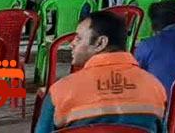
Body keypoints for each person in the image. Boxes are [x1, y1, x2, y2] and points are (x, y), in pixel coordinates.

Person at [33, 11, 166, 132]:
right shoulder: (155, 87)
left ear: (100, 43)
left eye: (79, 38)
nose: (72, 43)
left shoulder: (61, 91)